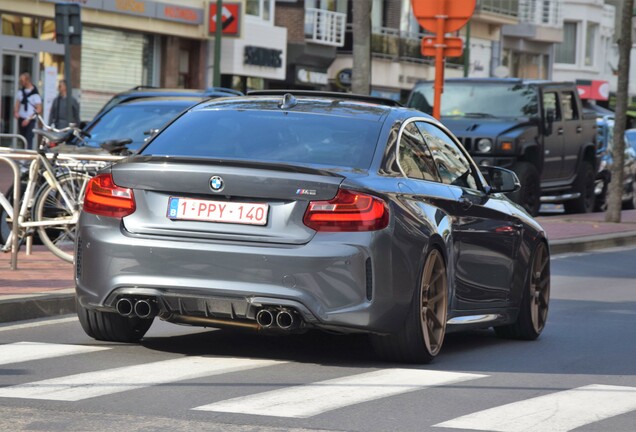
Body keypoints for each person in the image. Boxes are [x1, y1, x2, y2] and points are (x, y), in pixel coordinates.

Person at [13, 72, 42, 149]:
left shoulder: (35, 94)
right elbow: (17, 104)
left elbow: (38, 109)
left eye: (22, 81)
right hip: (22, 118)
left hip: (30, 120)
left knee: (29, 138)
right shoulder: (20, 92)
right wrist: (16, 112)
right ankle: (23, 154)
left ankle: (28, 156)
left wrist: (28, 119)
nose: (21, 83)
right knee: (22, 138)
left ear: (27, 80)